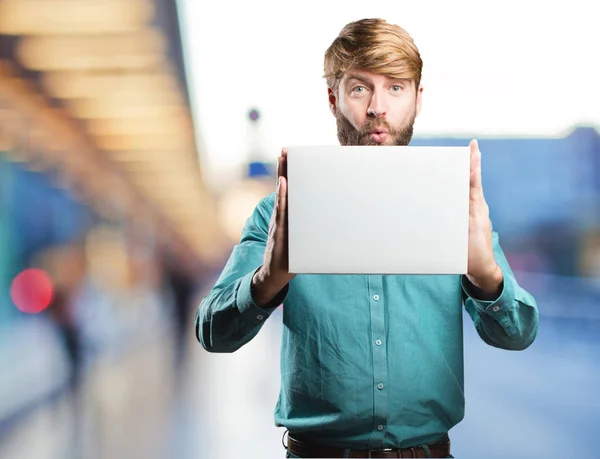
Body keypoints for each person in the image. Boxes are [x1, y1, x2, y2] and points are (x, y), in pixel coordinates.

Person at [195, 18, 539, 458]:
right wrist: (267, 280)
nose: (378, 107)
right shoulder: (281, 213)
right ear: (332, 98)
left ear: (417, 98)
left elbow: (518, 333)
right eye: (359, 88)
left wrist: (487, 276)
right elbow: (212, 332)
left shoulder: (458, 209)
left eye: (396, 87)